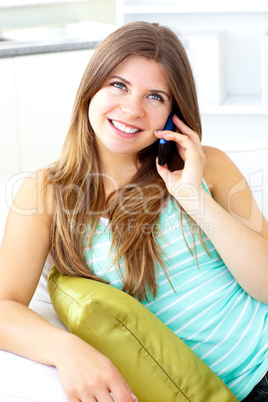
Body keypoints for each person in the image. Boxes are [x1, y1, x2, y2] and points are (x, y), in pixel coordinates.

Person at [0, 20, 267, 402]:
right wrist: (66, 350)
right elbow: (3, 306)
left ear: (174, 114)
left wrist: (193, 197)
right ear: (92, 87)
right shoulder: (47, 192)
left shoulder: (210, 167)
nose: (132, 109)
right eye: (119, 85)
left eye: (155, 97)